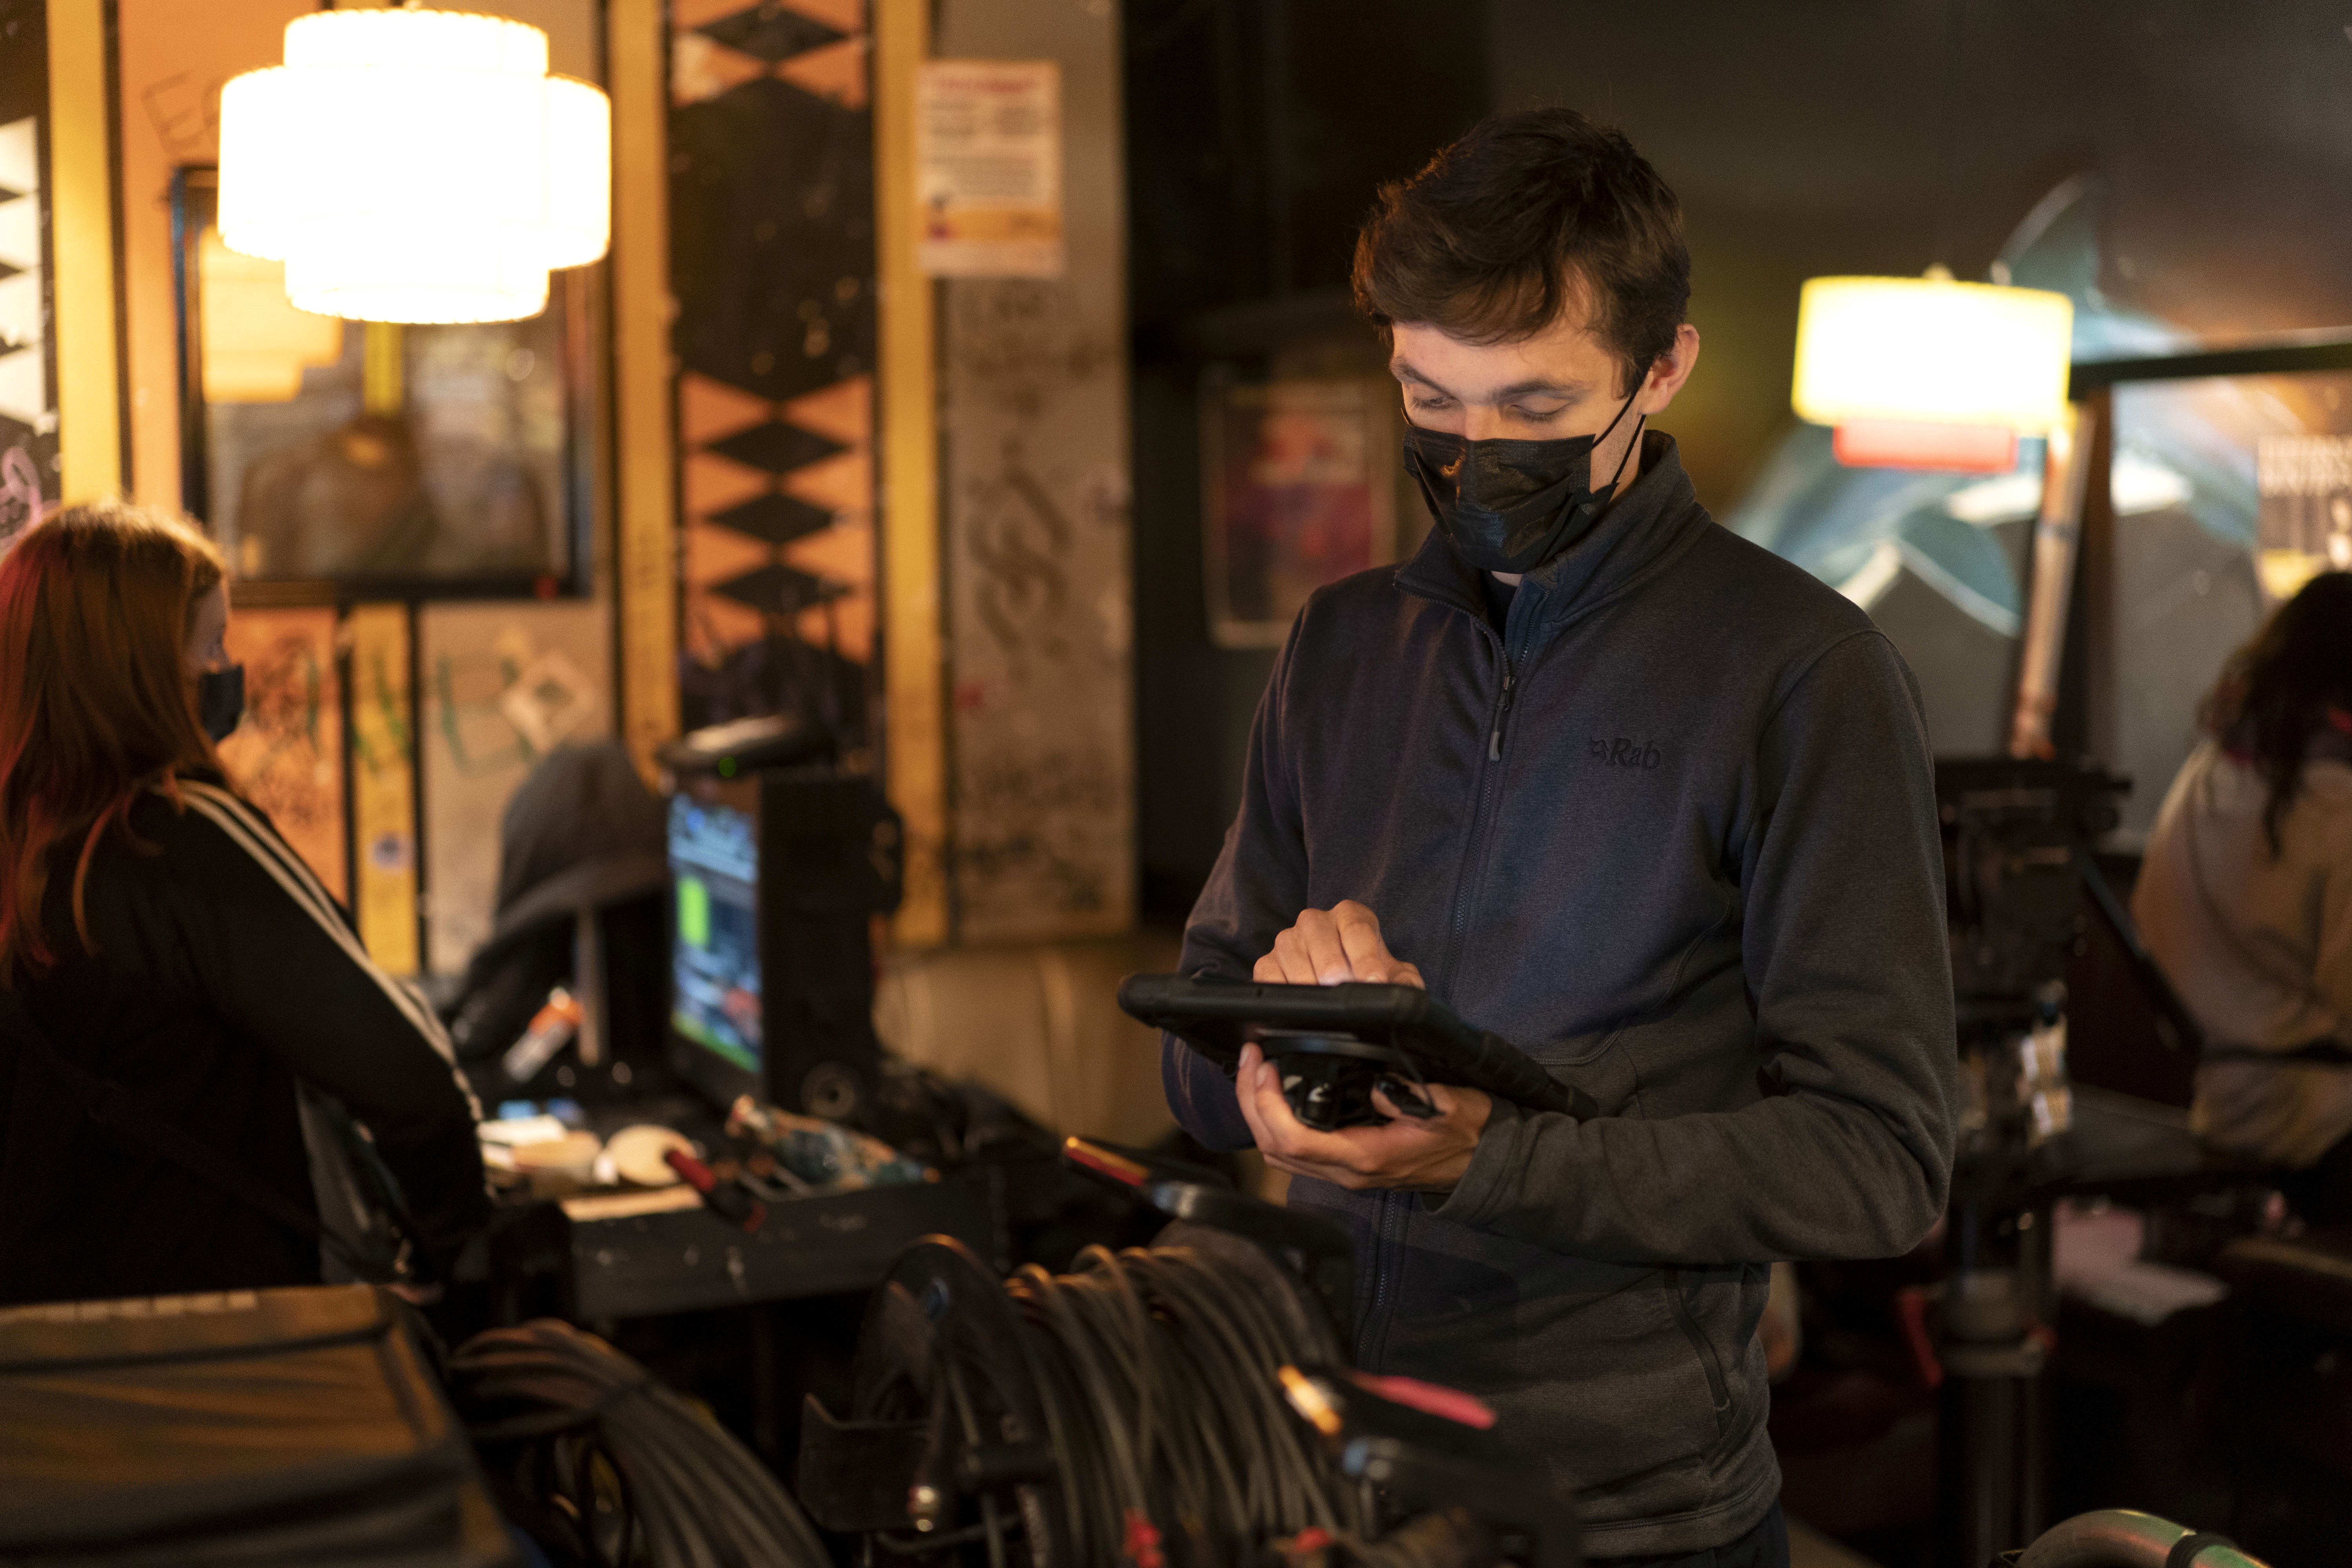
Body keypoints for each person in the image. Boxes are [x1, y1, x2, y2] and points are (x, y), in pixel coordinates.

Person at [1162, 110, 1958, 1565]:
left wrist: (1488, 1164)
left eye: (1533, 410)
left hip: (1629, 1516)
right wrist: (1275, 1060)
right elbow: (1193, 1051)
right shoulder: (1343, 645)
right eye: (1430, 398)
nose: (1473, 456)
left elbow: (1881, 1158)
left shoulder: (1801, 674)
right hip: (1325, 1481)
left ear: (1661, 371)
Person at [0, 501, 489, 1306]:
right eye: (212, 644)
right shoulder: (176, 838)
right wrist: (465, 1253)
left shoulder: (27, 852)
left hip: (43, 1372)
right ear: (142, 669)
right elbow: (410, 1080)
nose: (230, 670)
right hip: (220, 1352)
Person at [2133, 571, 2352, 1219]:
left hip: (2224, 1105)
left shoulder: (2208, 773)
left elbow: (2152, 914)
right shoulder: (2336, 801)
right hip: (2323, 1124)